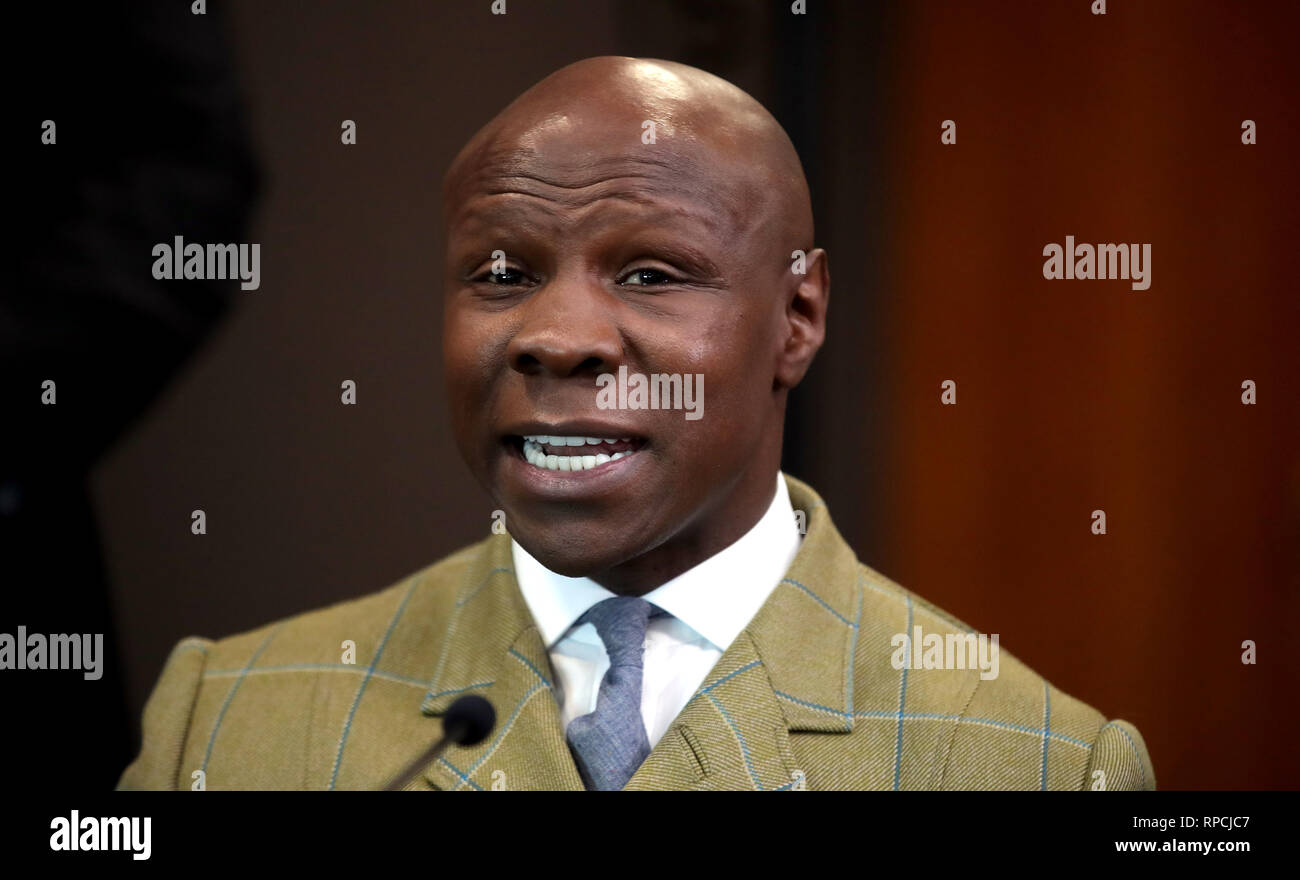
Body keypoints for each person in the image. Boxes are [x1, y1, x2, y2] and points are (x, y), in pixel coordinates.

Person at [119, 56, 1154, 791]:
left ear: (797, 318)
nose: (556, 335)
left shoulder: (1042, 765)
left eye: (652, 274)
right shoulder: (223, 719)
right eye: (501, 274)